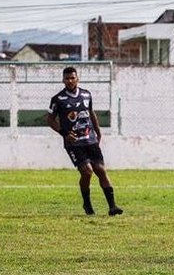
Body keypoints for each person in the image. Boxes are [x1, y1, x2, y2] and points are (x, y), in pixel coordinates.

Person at [46, 66, 123, 216]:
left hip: (90, 140)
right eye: (67, 78)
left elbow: (91, 113)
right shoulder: (58, 99)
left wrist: (98, 132)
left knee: (100, 170)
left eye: (72, 78)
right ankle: (87, 203)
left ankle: (112, 207)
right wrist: (64, 133)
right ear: (63, 80)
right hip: (73, 143)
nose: (70, 81)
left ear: (77, 79)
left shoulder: (86, 95)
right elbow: (49, 119)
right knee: (87, 172)